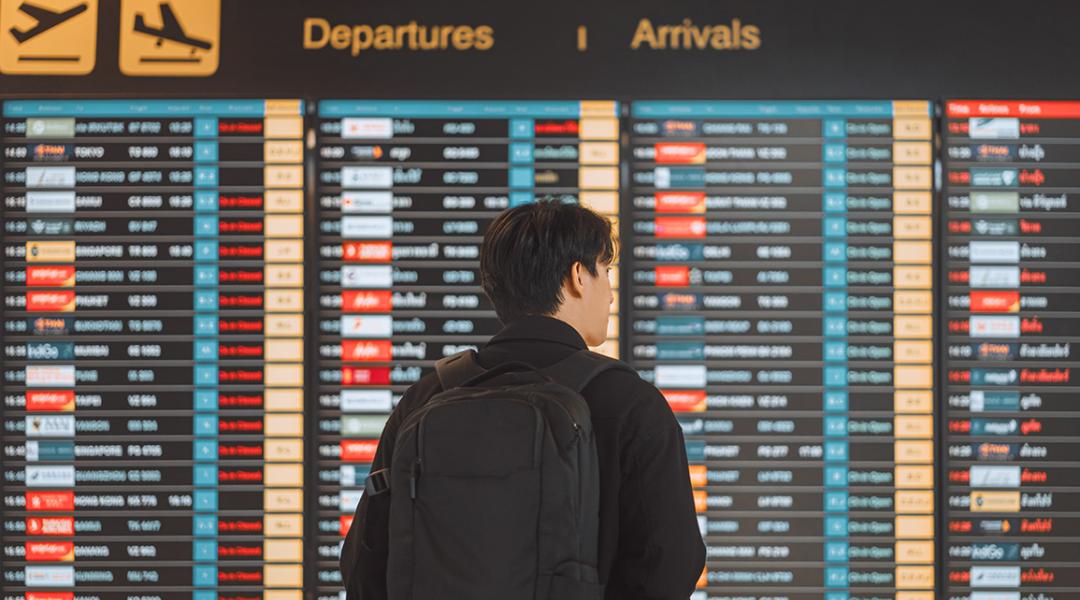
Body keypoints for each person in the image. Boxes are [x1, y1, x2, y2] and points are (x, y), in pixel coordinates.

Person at [340, 199, 706, 599]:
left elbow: (364, 562)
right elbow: (671, 560)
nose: (611, 294)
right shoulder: (629, 401)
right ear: (577, 277)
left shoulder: (427, 396)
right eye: (606, 271)